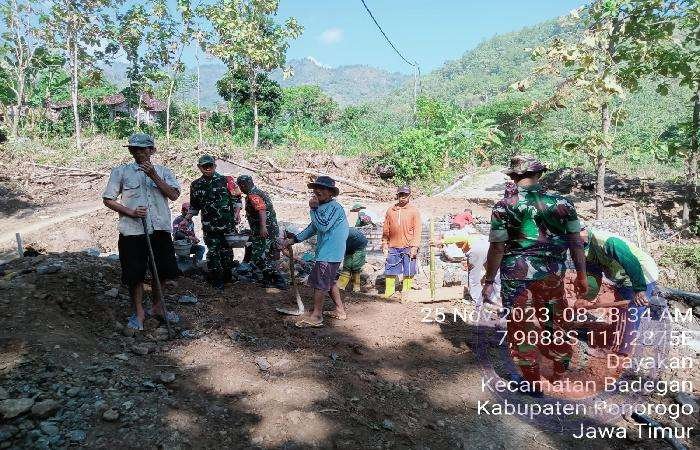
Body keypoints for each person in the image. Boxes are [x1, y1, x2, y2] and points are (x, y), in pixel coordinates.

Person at [481, 155, 588, 386]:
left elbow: (497, 247)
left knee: (521, 325)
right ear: (539, 174)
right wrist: (581, 275)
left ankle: (531, 381)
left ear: (513, 176)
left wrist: (489, 280)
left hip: (516, 276)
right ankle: (559, 374)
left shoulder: (503, 206)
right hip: (551, 275)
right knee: (555, 323)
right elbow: (576, 243)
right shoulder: (564, 204)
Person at [102, 133, 181, 331]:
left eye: (143, 149)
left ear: (152, 150)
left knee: (162, 271)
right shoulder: (121, 172)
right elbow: (108, 199)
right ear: (130, 151)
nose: (138, 153)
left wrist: (153, 175)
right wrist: (130, 212)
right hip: (132, 231)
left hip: (160, 228)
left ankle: (158, 307)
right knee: (134, 273)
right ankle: (139, 312)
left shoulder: (163, 171)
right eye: (134, 149)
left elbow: (173, 195)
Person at [581, 225, 659, 355]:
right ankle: (618, 342)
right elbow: (594, 275)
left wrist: (639, 290)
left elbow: (632, 263)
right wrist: (587, 298)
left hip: (641, 274)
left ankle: (620, 352)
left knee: (629, 314)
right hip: (622, 278)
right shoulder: (582, 247)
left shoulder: (608, 242)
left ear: (581, 231)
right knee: (620, 312)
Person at [285, 176, 349, 327]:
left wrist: (313, 209)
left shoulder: (334, 207)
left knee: (320, 283)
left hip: (330, 252)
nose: (317, 191)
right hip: (327, 252)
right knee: (330, 281)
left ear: (331, 193)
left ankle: (317, 316)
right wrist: (294, 240)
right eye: (316, 188)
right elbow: (313, 228)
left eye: (322, 188)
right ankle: (340, 310)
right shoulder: (321, 207)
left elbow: (323, 226)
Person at [188, 155, 242, 289]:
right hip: (209, 227)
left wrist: (237, 213)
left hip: (227, 225)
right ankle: (217, 279)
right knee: (213, 252)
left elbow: (237, 199)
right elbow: (194, 207)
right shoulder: (196, 185)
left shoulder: (227, 180)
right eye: (204, 166)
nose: (208, 168)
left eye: (210, 165)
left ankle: (227, 277)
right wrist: (186, 219)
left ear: (215, 166)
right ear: (199, 167)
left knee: (227, 251)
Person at [236, 174, 285, 288]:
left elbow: (261, 209)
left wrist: (263, 227)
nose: (240, 189)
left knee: (257, 256)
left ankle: (278, 279)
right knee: (266, 255)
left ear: (243, 185)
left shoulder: (253, 194)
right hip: (270, 229)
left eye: (240, 186)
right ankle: (267, 279)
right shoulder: (259, 192)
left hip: (264, 231)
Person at [433, 227, 500, 305]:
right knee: (493, 274)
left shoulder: (456, 234)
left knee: (474, 277)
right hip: (491, 248)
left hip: (477, 249)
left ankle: (477, 300)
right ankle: (495, 296)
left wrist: (441, 241)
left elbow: (461, 238)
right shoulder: (478, 236)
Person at [381, 186, 422, 299]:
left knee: (409, 270)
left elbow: (417, 230)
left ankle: (407, 293)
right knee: (390, 269)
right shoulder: (391, 210)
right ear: (397, 196)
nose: (403, 197)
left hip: (409, 246)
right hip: (393, 246)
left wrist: (415, 246)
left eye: (405, 195)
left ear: (409, 196)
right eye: (401, 195)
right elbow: (386, 228)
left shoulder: (414, 211)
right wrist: (384, 243)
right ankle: (389, 292)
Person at [337, 227, 369, 292]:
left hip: (360, 246)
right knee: (347, 266)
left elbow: (342, 248)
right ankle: (340, 286)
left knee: (356, 267)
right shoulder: (339, 234)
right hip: (350, 245)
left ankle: (356, 287)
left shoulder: (343, 235)